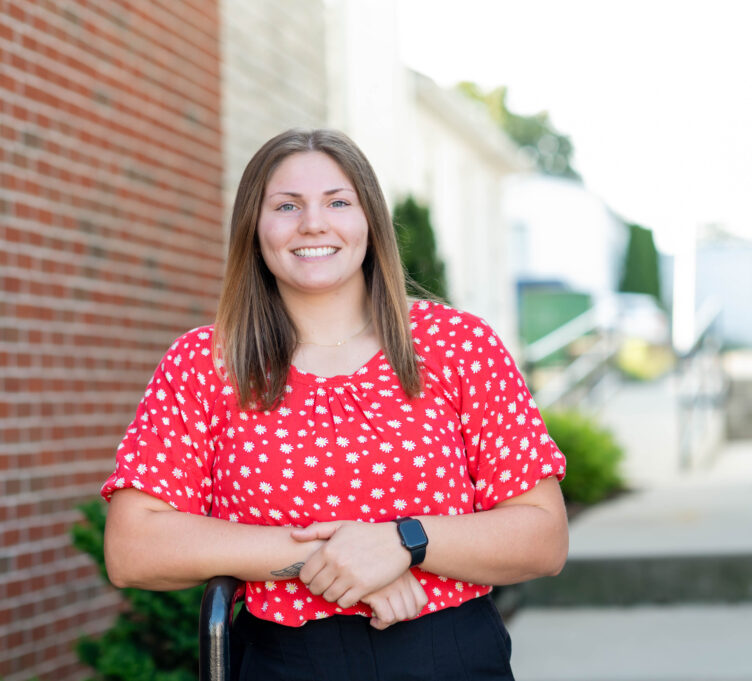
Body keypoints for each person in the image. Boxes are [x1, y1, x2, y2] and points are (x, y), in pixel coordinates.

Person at [101, 128, 569, 680]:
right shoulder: (206, 362)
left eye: (338, 202)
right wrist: (337, 560)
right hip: (282, 662)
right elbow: (133, 547)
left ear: (369, 220)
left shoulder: (457, 345)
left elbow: (543, 535)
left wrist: (404, 542)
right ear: (255, 227)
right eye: (286, 205)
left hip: (449, 656)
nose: (313, 223)